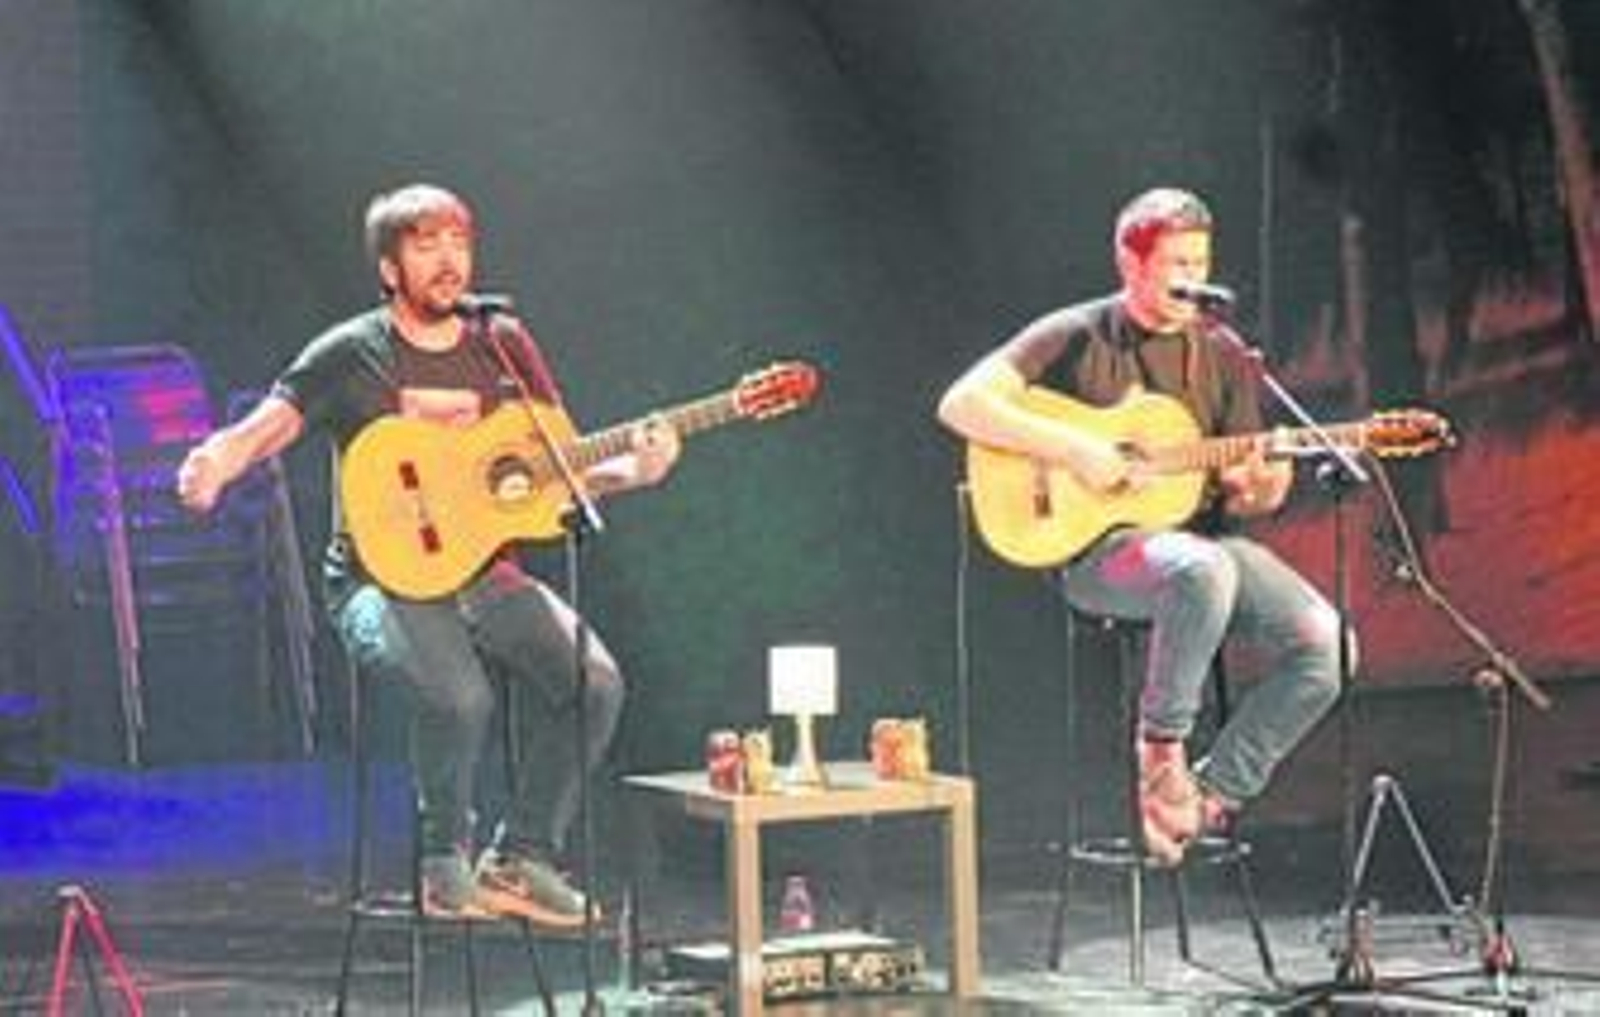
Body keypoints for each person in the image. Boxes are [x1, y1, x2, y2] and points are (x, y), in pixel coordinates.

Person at [176, 183, 681, 924]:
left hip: (481, 574)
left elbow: (555, 472)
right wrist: (217, 459)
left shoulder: (503, 346)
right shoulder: (355, 352)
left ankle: (522, 855)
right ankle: (444, 863)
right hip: (379, 581)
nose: (448, 260)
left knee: (593, 682)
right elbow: (269, 424)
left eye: (458, 242)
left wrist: (633, 469)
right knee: (460, 696)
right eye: (425, 244)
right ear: (389, 268)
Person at [937, 187, 1345, 865]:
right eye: (1176, 261)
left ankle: (1207, 799)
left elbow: (1245, 492)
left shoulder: (1222, 352)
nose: (1192, 276)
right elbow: (961, 403)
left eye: (1200, 260)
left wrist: (1261, 482)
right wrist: (1077, 450)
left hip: (1201, 547)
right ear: (1130, 260)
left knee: (1327, 645)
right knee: (1200, 568)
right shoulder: (1076, 334)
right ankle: (1160, 751)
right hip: (1102, 556)